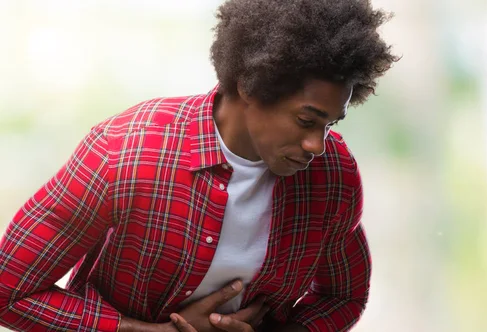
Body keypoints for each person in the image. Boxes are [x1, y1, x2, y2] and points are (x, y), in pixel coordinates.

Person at [0, 0, 398, 331]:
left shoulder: (333, 175)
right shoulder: (126, 153)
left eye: (330, 124)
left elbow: (342, 296)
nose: (317, 145)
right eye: (306, 121)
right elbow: (8, 291)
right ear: (251, 86)